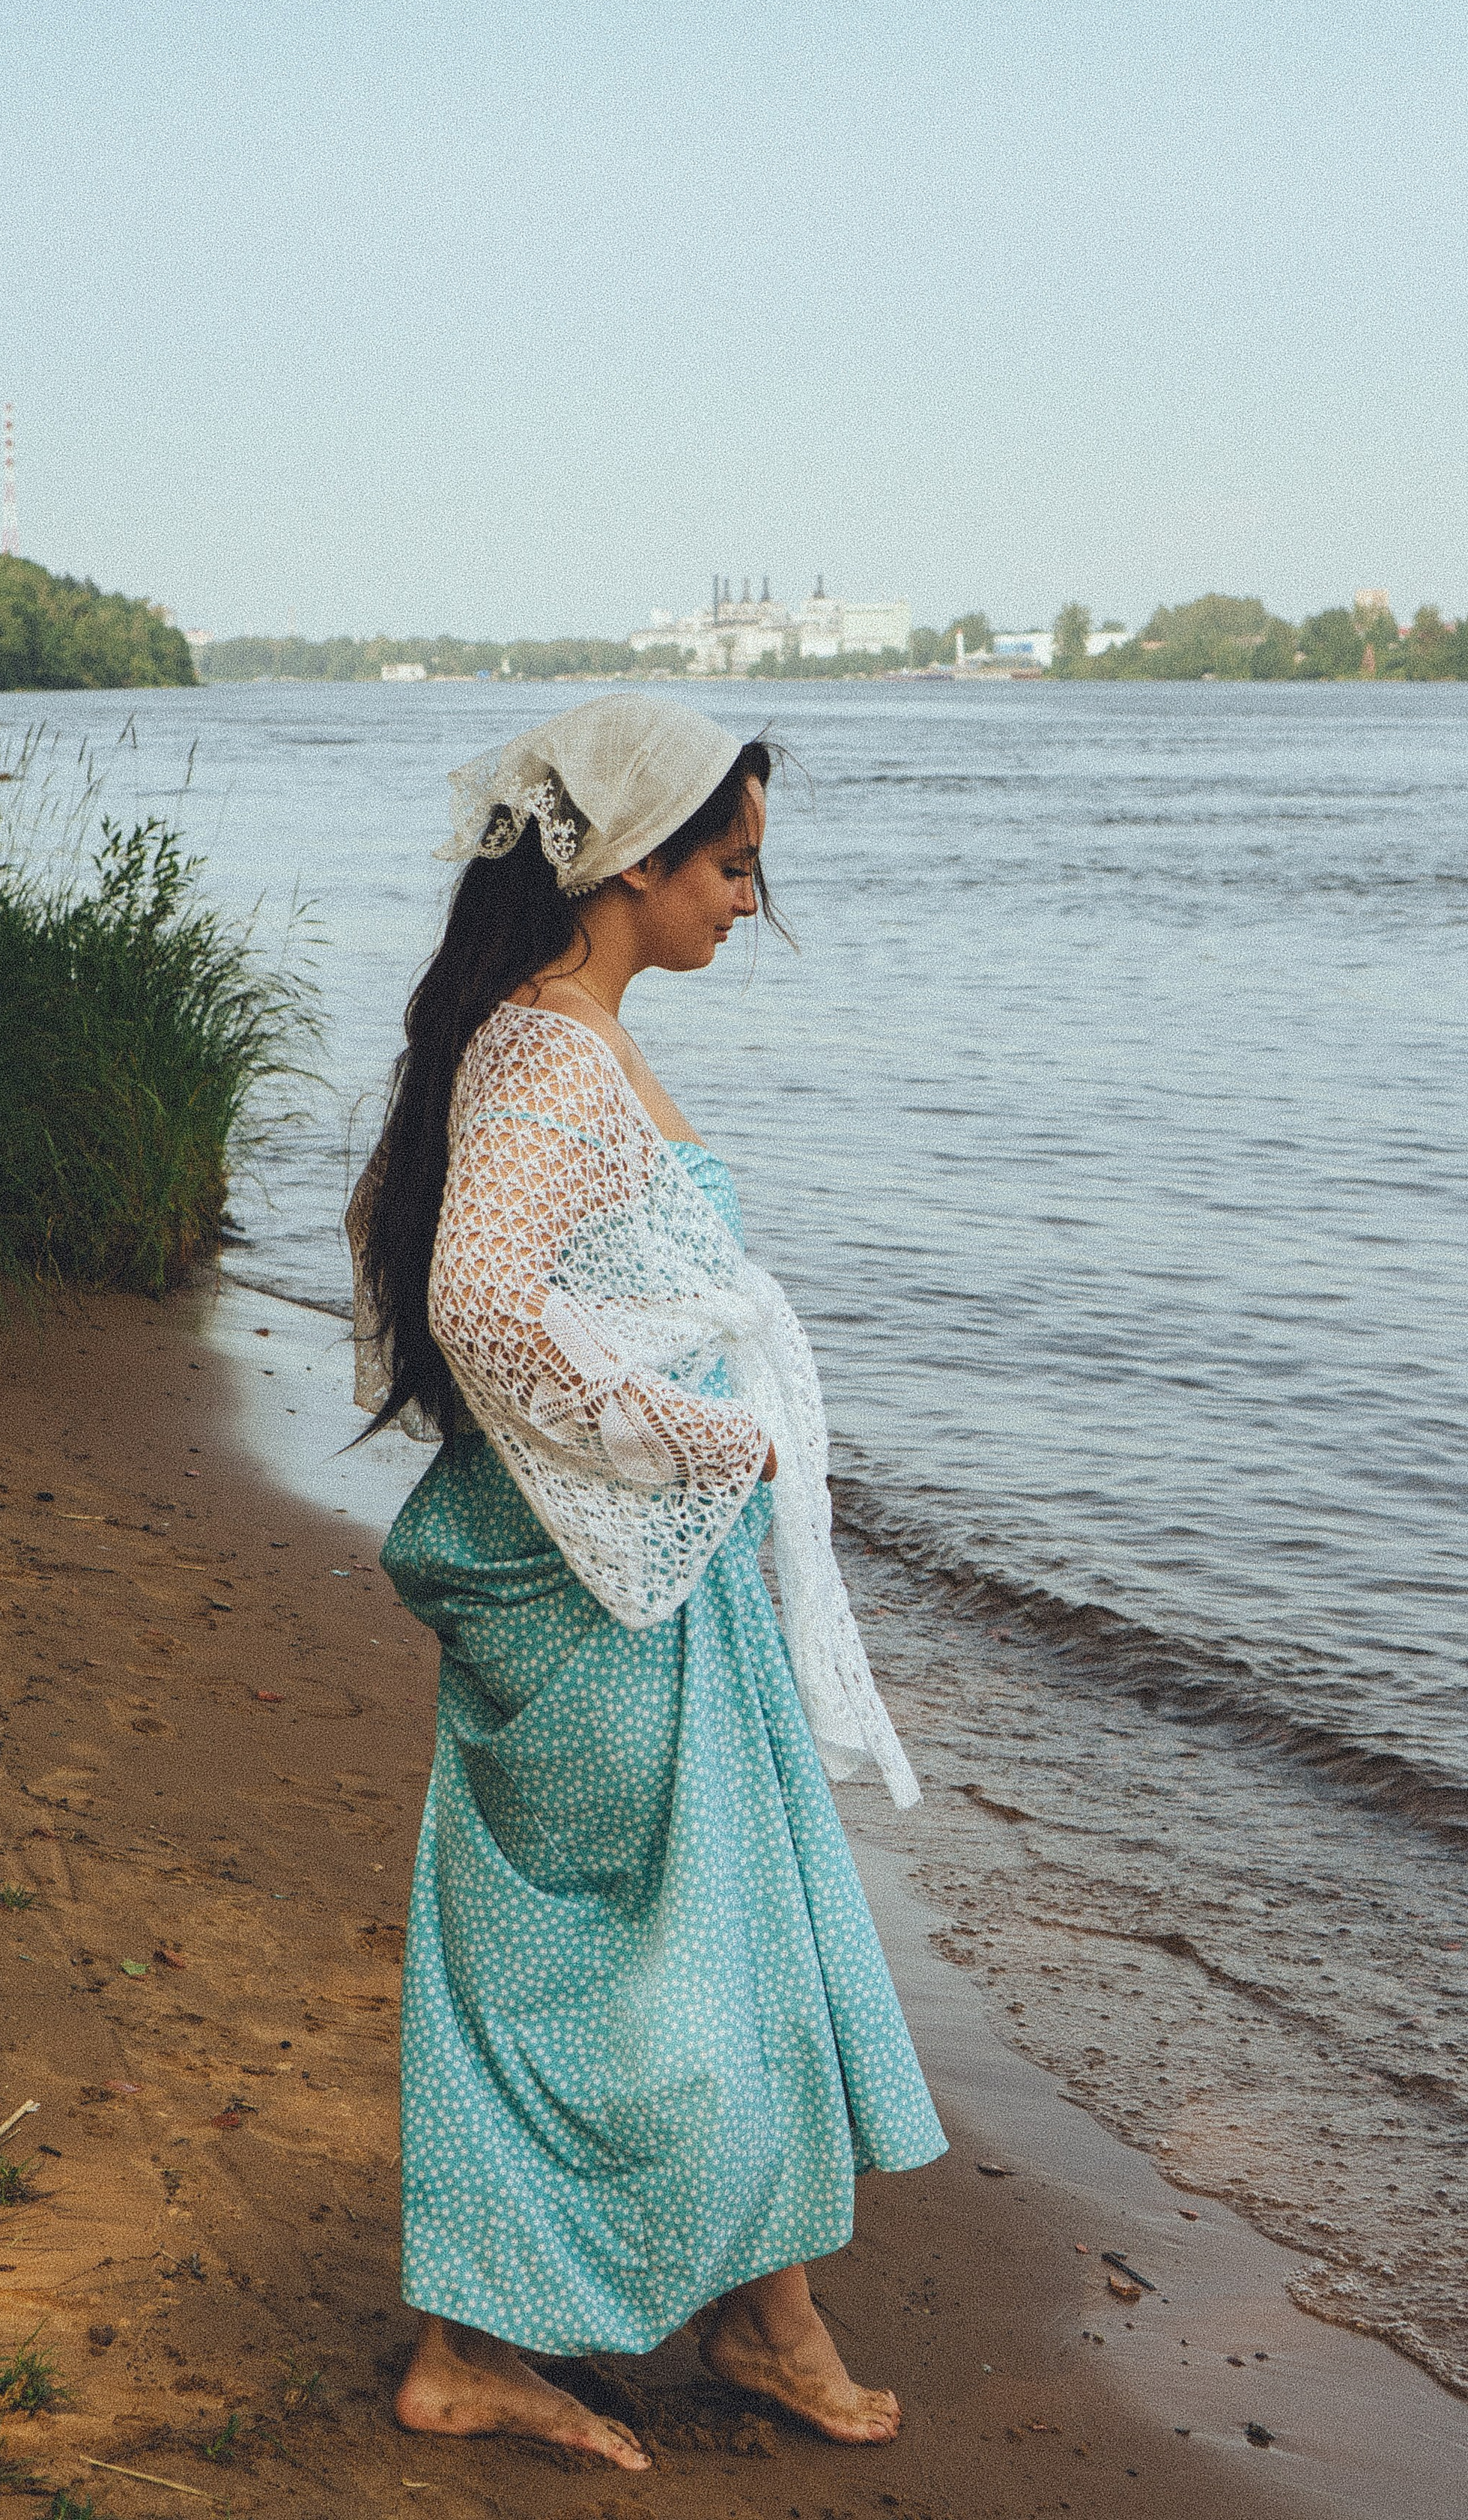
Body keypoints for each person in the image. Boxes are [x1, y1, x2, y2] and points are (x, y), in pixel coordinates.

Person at [348, 695, 944, 2475]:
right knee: (645, 1976)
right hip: (594, 1585)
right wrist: (708, 1445)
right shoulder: (543, 1053)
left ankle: (762, 2317)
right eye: (731, 868)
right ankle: (486, 2342)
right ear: (625, 866)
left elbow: (538, 1291)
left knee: (709, 1941)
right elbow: (479, 1304)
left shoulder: (563, 1035)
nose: (745, 905)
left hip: (631, 1579)